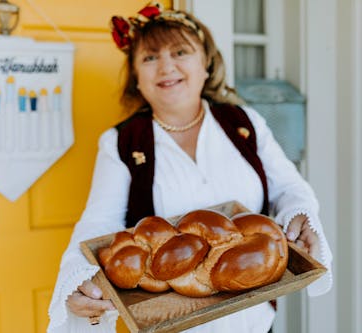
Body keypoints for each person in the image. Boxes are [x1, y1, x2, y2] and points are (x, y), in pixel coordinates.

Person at [47, 2, 333, 332]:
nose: (166, 66)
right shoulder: (122, 142)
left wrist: (300, 214)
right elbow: (98, 223)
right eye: (150, 58)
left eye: (180, 52)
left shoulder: (244, 123)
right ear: (137, 79)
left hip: (255, 322)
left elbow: (289, 188)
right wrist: (76, 277)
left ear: (206, 65)